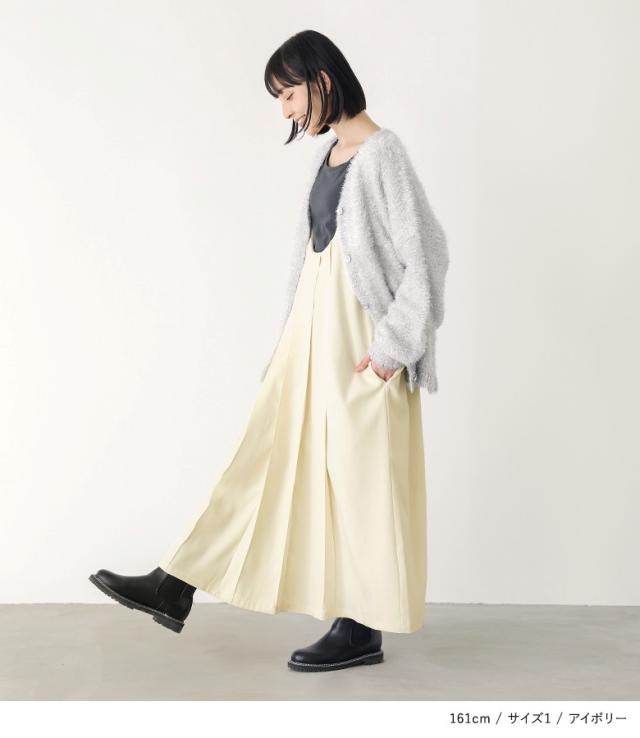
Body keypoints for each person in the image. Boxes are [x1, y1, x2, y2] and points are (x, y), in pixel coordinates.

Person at [89, 29, 449, 674]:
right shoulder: (331, 154)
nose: (285, 110)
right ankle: (176, 582)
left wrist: (391, 350)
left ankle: (359, 627)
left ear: (323, 81)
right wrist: (290, 340)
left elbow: (428, 257)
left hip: (359, 348)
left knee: (361, 483)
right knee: (260, 456)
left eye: (288, 94)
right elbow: (316, 258)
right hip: (307, 340)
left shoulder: (382, 153)